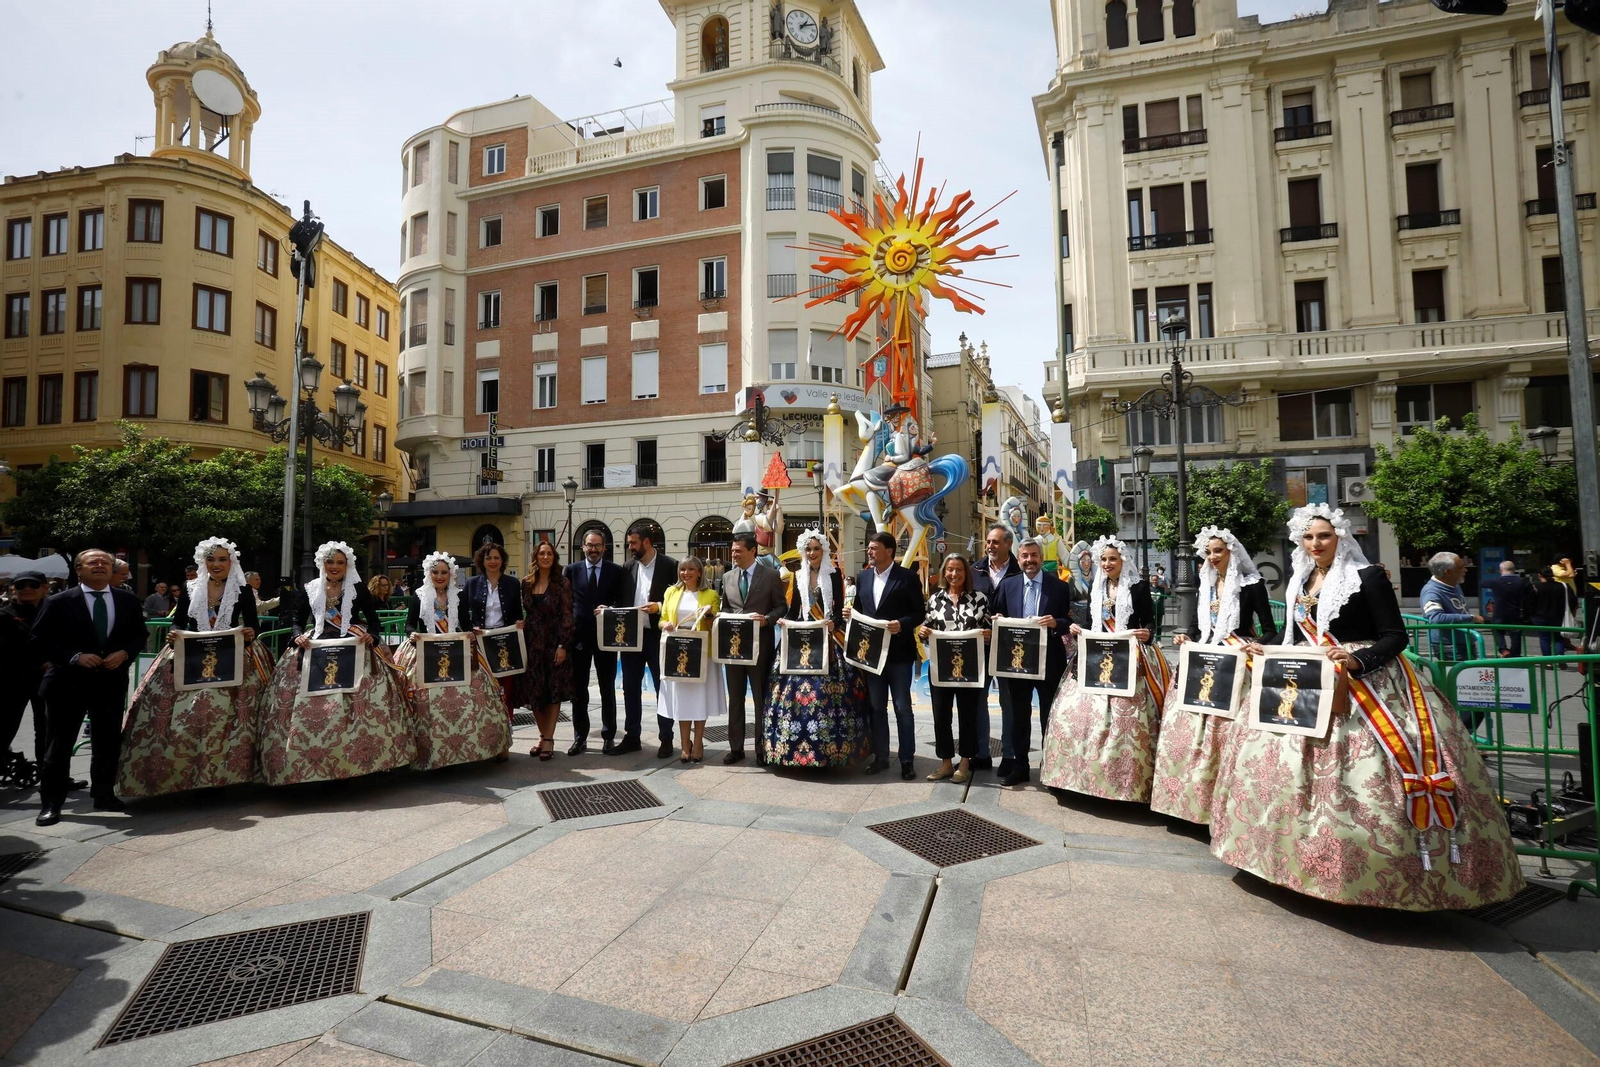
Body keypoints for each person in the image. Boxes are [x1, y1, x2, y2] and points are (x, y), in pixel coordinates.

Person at [1209, 505, 1524, 910]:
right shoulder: (1299, 580)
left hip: (1364, 682)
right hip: (1309, 679)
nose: (1315, 544)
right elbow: (1296, 637)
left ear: (1340, 537)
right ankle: (1285, 860)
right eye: (1308, 537)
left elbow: (1395, 637)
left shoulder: (1368, 576)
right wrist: (1269, 649)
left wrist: (1359, 661)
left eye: (1323, 536)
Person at [117, 538, 271, 798]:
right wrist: (174, 634)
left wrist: (248, 634)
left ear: (231, 562)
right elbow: (178, 622)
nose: (216, 564)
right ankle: (180, 774)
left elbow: (253, 627)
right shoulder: (190, 588)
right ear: (204, 562)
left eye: (222, 559)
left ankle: (226, 775)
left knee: (229, 718)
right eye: (211, 559)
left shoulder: (242, 589)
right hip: (190, 655)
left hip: (231, 655)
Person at [259, 541, 415, 785]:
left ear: (347, 565)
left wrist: (371, 636)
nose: (334, 566)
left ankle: (360, 761)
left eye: (340, 563)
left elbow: (373, 623)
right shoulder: (309, 588)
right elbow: (297, 621)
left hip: (353, 647)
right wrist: (297, 635)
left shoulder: (358, 588)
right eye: (330, 562)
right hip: (317, 649)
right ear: (322, 563)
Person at [1150, 527, 1272, 825]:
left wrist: (1257, 644)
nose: (1213, 557)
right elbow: (1196, 623)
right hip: (1204, 662)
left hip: (1236, 664)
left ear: (1232, 551)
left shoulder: (1251, 585)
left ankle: (1223, 808)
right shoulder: (1204, 583)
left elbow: (1270, 629)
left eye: (1218, 551)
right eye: (1209, 552)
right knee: (1187, 733)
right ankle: (1187, 803)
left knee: (1226, 736)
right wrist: (1186, 636)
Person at [1038, 536, 1163, 801]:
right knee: (1076, 717)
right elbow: (1093, 623)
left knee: (1126, 724)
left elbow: (1151, 626)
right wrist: (1076, 629)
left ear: (1123, 560)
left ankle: (1122, 784)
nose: (1107, 564)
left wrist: (1146, 634)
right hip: (1096, 657)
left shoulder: (1138, 588)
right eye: (1103, 559)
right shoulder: (1097, 586)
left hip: (1129, 658)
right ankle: (1079, 778)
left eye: (1112, 559)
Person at [30, 549, 147, 825]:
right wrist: (74, 656)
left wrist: (125, 653)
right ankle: (51, 803)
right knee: (58, 746)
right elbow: (38, 639)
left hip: (110, 682)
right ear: (78, 570)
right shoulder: (59, 601)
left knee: (107, 743)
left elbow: (139, 634)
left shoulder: (126, 599)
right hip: (67, 684)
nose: (99, 565)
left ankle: (104, 794)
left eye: (105, 562)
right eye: (92, 562)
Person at [765, 529, 871, 768]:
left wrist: (836, 624)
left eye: (816, 549)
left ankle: (832, 751)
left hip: (829, 640)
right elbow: (794, 609)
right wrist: (784, 620)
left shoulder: (834, 575)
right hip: (803, 639)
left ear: (823, 550)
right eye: (808, 549)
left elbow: (841, 610)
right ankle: (791, 750)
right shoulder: (797, 575)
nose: (812, 553)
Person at [396, 552, 510, 770]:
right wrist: (412, 634)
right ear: (429, 573)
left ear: (451, 574)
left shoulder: (458, 596)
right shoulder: (418, 596)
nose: (440, 576)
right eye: (435, 572)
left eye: (444, 573)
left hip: (456, 652)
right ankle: (429, 752)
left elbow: (465, 624)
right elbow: (411, 624)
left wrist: (468, 633)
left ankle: (464, 751)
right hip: (425, 653)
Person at [991, 539, 1074, 787]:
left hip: (1050, 660)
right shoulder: (1008, 585)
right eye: (1025, 556)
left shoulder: (1058, 587)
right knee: (1018, 715)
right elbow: (998, 616)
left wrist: (1055, 623)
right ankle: (1020, 766)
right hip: (1017, 662)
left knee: (1049, 715)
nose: (1030, 560)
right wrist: (998, 619)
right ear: (1018, 558)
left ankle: (1050, 767)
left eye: (1034, 555)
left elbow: (1067, 621)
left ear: (1041, 558)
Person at [849, 531, 925, 780]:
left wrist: (901, 624)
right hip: (871, 656)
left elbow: (919, 613)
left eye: (874, 548)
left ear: (889, 551)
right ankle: (881, 756)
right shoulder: (862, 577)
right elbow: (860, 611)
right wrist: (851, 615)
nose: (869, 552)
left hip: (899, 655)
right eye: (868, 548)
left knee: (903, 707)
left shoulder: (908, 577)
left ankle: (906, 760)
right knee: (876, 707)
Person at [916, 552, 991, 783]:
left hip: (970, 670)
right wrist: (922, 632)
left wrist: (988, 634)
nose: (954, 574)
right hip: (941, 669)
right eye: (950, 569)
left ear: (966, 572)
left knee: (968, 716)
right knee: (941, 716)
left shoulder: (979, 599)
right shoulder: (935, 599)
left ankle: (965, 762)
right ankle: (946, 763)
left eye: (959, 569)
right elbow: (927, 630)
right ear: (944, 572)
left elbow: (990, 630)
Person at [719, 531, 785, 764]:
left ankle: (761, 749)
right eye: (733, 550)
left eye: (738, 550)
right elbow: (726, 607)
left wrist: (766, 619)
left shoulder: (770, 575)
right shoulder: (727, 577)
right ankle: (736, 748)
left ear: (752, 551)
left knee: (760, 698)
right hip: (734, 648)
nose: (734, 554)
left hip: (761, 647)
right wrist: (725, 616)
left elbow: (781, 607)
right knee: (735, 698)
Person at [621, 526, 678, 757]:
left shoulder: (670, 566)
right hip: (631, 638)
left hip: (658, 637)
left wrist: (660, 607)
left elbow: (678, 599)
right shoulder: (626, 568)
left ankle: (666, 738)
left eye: (633, 543)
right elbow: (620, 599)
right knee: (629, 688)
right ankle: (632, 736)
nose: (629, 547)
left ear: (646, 542)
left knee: (662, 688)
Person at [568, 530, 625, 755]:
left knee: (607, 689)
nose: (593, 549)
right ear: (583, 547)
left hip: (606, 639)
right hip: (579, 639)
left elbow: (622, 601)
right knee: (578, 691)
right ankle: (580, 737)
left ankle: (608, 736)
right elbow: (566, 603)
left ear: (604, 548)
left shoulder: (616, 571)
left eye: (598, 546)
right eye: (589, 545)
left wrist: (610, 609)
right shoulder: (571, 571)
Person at [971, 523, 1022, 772]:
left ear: (1009, 544)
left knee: (1009, 702)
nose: (990, 546)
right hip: (979, 648)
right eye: (988, 542)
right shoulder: (974, 571)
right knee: (977, 700)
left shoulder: (1020, 571)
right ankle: (981, 754)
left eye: (996, 542)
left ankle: (1009, 755)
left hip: (1010, 649)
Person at [659, 557, 720, 763]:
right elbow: (661, 619)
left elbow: (714, 625)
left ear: (700, 572)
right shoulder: (671, 592)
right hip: (677, 652)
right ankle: (685, 744)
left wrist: (710, 615)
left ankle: (699, 742)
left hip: (701, 652)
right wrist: (665, 623)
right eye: (683, 569)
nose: (686, 573)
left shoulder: (711, 594)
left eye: (691, 569)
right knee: (682, 700)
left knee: (699, 699)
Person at [465, 541, 525, 746]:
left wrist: (519, 622)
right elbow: (462, 614)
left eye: (496, 558)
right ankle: (484, 738)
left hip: (505, 642)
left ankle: (505, 739)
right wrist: (470, 629)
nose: (493, 561)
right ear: (481, 560)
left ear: (503, 561)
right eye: (488, 557)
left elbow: (517, 612)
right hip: (480, 644)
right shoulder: (472, 583)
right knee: (482, 689)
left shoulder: (512, 583)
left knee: (505, 691)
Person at [518, 541, 573, 760]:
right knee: (535, 691)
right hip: (532, 642)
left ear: (554, 557)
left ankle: (549, 738)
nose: (546, 557)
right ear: (536, 556)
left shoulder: (562, 583)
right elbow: (523, 611)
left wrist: (563, 645)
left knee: (553, 690)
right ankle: (542, 735)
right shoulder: (526, 582)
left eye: (549, 553)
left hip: (553, 642)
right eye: (542, 553)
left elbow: (567, 616)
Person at [0, 570, 49, 787]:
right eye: (21, 586)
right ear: (13, 590)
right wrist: (40, 662)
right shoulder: (5, 615)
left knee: (47, 729)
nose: (27, 589)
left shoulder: (53, 611)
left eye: (33, 585)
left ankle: (52, 776)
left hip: (47, 679)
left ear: (44, 588)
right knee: (5, 725)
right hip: (14, 680)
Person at [1420, 552, 1481, 662]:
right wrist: (1471, 618)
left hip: (1463, 641)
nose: (1465, 570)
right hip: (1451, 646)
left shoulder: (1454, 583)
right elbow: (1436, 618)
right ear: (1448, 572)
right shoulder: (1431, 591)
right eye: (1461, 567)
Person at [1481, 560, 1532, 658]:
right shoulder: (1522, 582)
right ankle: (1515, 653)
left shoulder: (1496, 582)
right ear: (1514, 569)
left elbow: (1481, 583)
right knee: (1516, 635)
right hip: (1516, 613)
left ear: (1500, 570)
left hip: (1499, 613)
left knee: (1498, 632)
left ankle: (1503, 650)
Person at [1530, 568, 1576, 657]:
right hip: (1558, 616)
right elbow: (1573, 601)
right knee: (1558, 638)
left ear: (1540, 576)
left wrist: (1531, 616)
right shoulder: (1564, 586)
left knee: (1544, 639)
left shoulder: (1536, 587)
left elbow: (1530, 603)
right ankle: (1559, 657)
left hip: (1540, 617)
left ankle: (1548, 662)